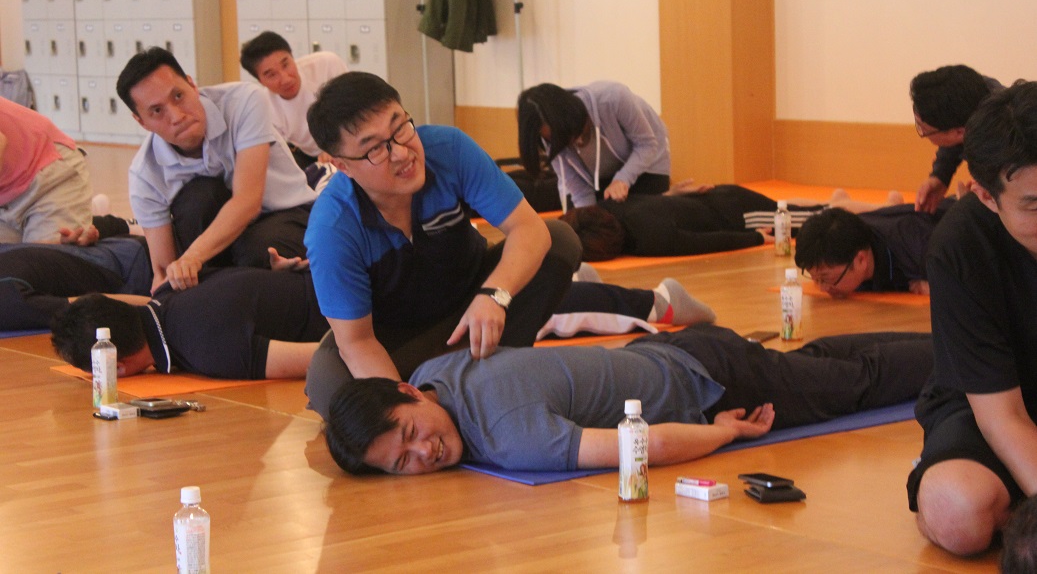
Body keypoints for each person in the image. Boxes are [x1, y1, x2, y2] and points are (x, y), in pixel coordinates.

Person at [318, 322, 933, 475]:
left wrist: (726, 432)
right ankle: (945, 339)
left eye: (410, 434)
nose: (423, 453)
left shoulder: (512, 436)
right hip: (670, 350)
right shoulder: (436, 372)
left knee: (857, 385)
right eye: (401, 464)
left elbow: (643, 446)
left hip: (712, 382)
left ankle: (964, 352)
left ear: (407, 392)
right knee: (822, 364)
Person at [304, 71, 584, 390]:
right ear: (343, 166)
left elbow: (529, 229)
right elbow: (358, 342)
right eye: (376, 149)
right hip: (398, 341)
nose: (402, 153)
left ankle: (486, 376)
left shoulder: (448, 148)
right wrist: (412, 409)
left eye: (400, 128)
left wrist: (495, 295)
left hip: (471, 305)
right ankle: (456, 386)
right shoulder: (332, 228)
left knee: (559, 240)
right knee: (328, 379)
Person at [907, 80, 1037, 556]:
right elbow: (1003, 418)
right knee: (957, 509)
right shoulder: (960, 247)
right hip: (992, 405)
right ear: (985, 196)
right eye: (1034, 206)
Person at [117, 47, 316, 292]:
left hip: (285, 214)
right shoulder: (145, 174)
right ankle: (236, 283)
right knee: (197, 199)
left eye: (178, 96)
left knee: (257, 249)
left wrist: (191, 259)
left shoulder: (244, 101)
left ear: (192, 85)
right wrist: (174, 281)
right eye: (157, 111)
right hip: (217, 246)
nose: (177, 116)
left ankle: (242, 280)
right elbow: (163, 271)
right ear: (141, 122)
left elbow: (248, 201)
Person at [50, 265, 323, 380]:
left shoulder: (204, 348)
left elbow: (322, 357)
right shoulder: (171, 290)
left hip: (342, 311)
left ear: (117, 368)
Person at [560, 184, 826, 261]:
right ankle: (835, 201)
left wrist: (754, 237)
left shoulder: (649, 238)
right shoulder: (608, 207)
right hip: (716, 199)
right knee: (789, 207)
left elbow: (703, 243)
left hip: (738, 215)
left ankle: (845, 207)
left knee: (818, 221)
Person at [517, 81, 670, 210]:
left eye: (562, 135)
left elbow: (646, 145)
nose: (561, 142)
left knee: (627, 215)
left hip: (649, 163)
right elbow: (581, 192)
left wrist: (623, 179)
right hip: (602, 175)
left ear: (569, 118)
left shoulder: (613, 98)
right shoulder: (549, 138)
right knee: (596, 217)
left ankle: (670, 196)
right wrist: (588, 222)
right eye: (551, 139)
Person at [794, 201, 954, 298]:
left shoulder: (920, 247)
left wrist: (941, 286)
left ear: (861, 260)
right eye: (815, 279)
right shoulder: (850, 237)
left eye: (825, 279)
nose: (822, 289)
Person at [239, 31, 348, 168]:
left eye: (286, 65)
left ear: (292, 56)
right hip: (311, 156)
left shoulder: (327, 64)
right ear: (260, 81)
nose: (285, 79)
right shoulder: (264, 108)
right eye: (271, 75)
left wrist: (336, 149)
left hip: (347, 141)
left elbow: (352, 108)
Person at [0, 237, 151, 331]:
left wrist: (158, 305)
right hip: (121, 250)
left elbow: (92, 304)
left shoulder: (8, 300)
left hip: (138, 271)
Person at [910, 64, 1003, 213]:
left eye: (923, 130)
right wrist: (940, 176)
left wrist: (974, 203)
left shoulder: (1005, 147)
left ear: (960, 133)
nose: (922, 133)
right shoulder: (976, 94)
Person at [0, 96, 93, 244]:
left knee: (43, 255)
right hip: (6, 195)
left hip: (48, 172)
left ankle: (117, 226)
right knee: (18, 256)